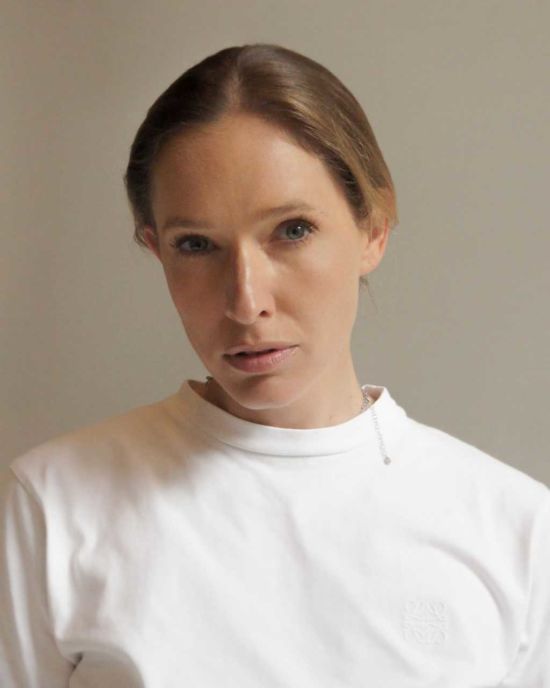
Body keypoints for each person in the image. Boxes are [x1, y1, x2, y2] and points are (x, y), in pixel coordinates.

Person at [1, 43, 548, 687]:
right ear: (156, 249)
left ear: (373, 228)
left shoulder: (517, 532)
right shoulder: (52, 506)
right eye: (196, 245)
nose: (245, 301)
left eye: (292, 230)